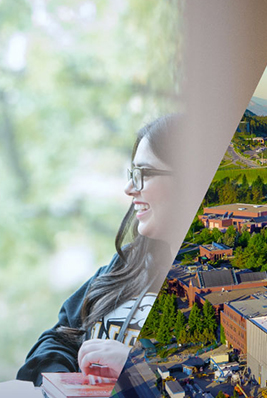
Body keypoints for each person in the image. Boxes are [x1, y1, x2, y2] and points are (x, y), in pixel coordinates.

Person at [17, 115, 181, 384]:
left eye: (145, 173)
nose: (130, 188)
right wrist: (63, 383)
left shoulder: (215, 285)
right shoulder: (128, 264)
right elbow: (59, 338)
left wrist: (134, 365)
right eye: (132, 174)